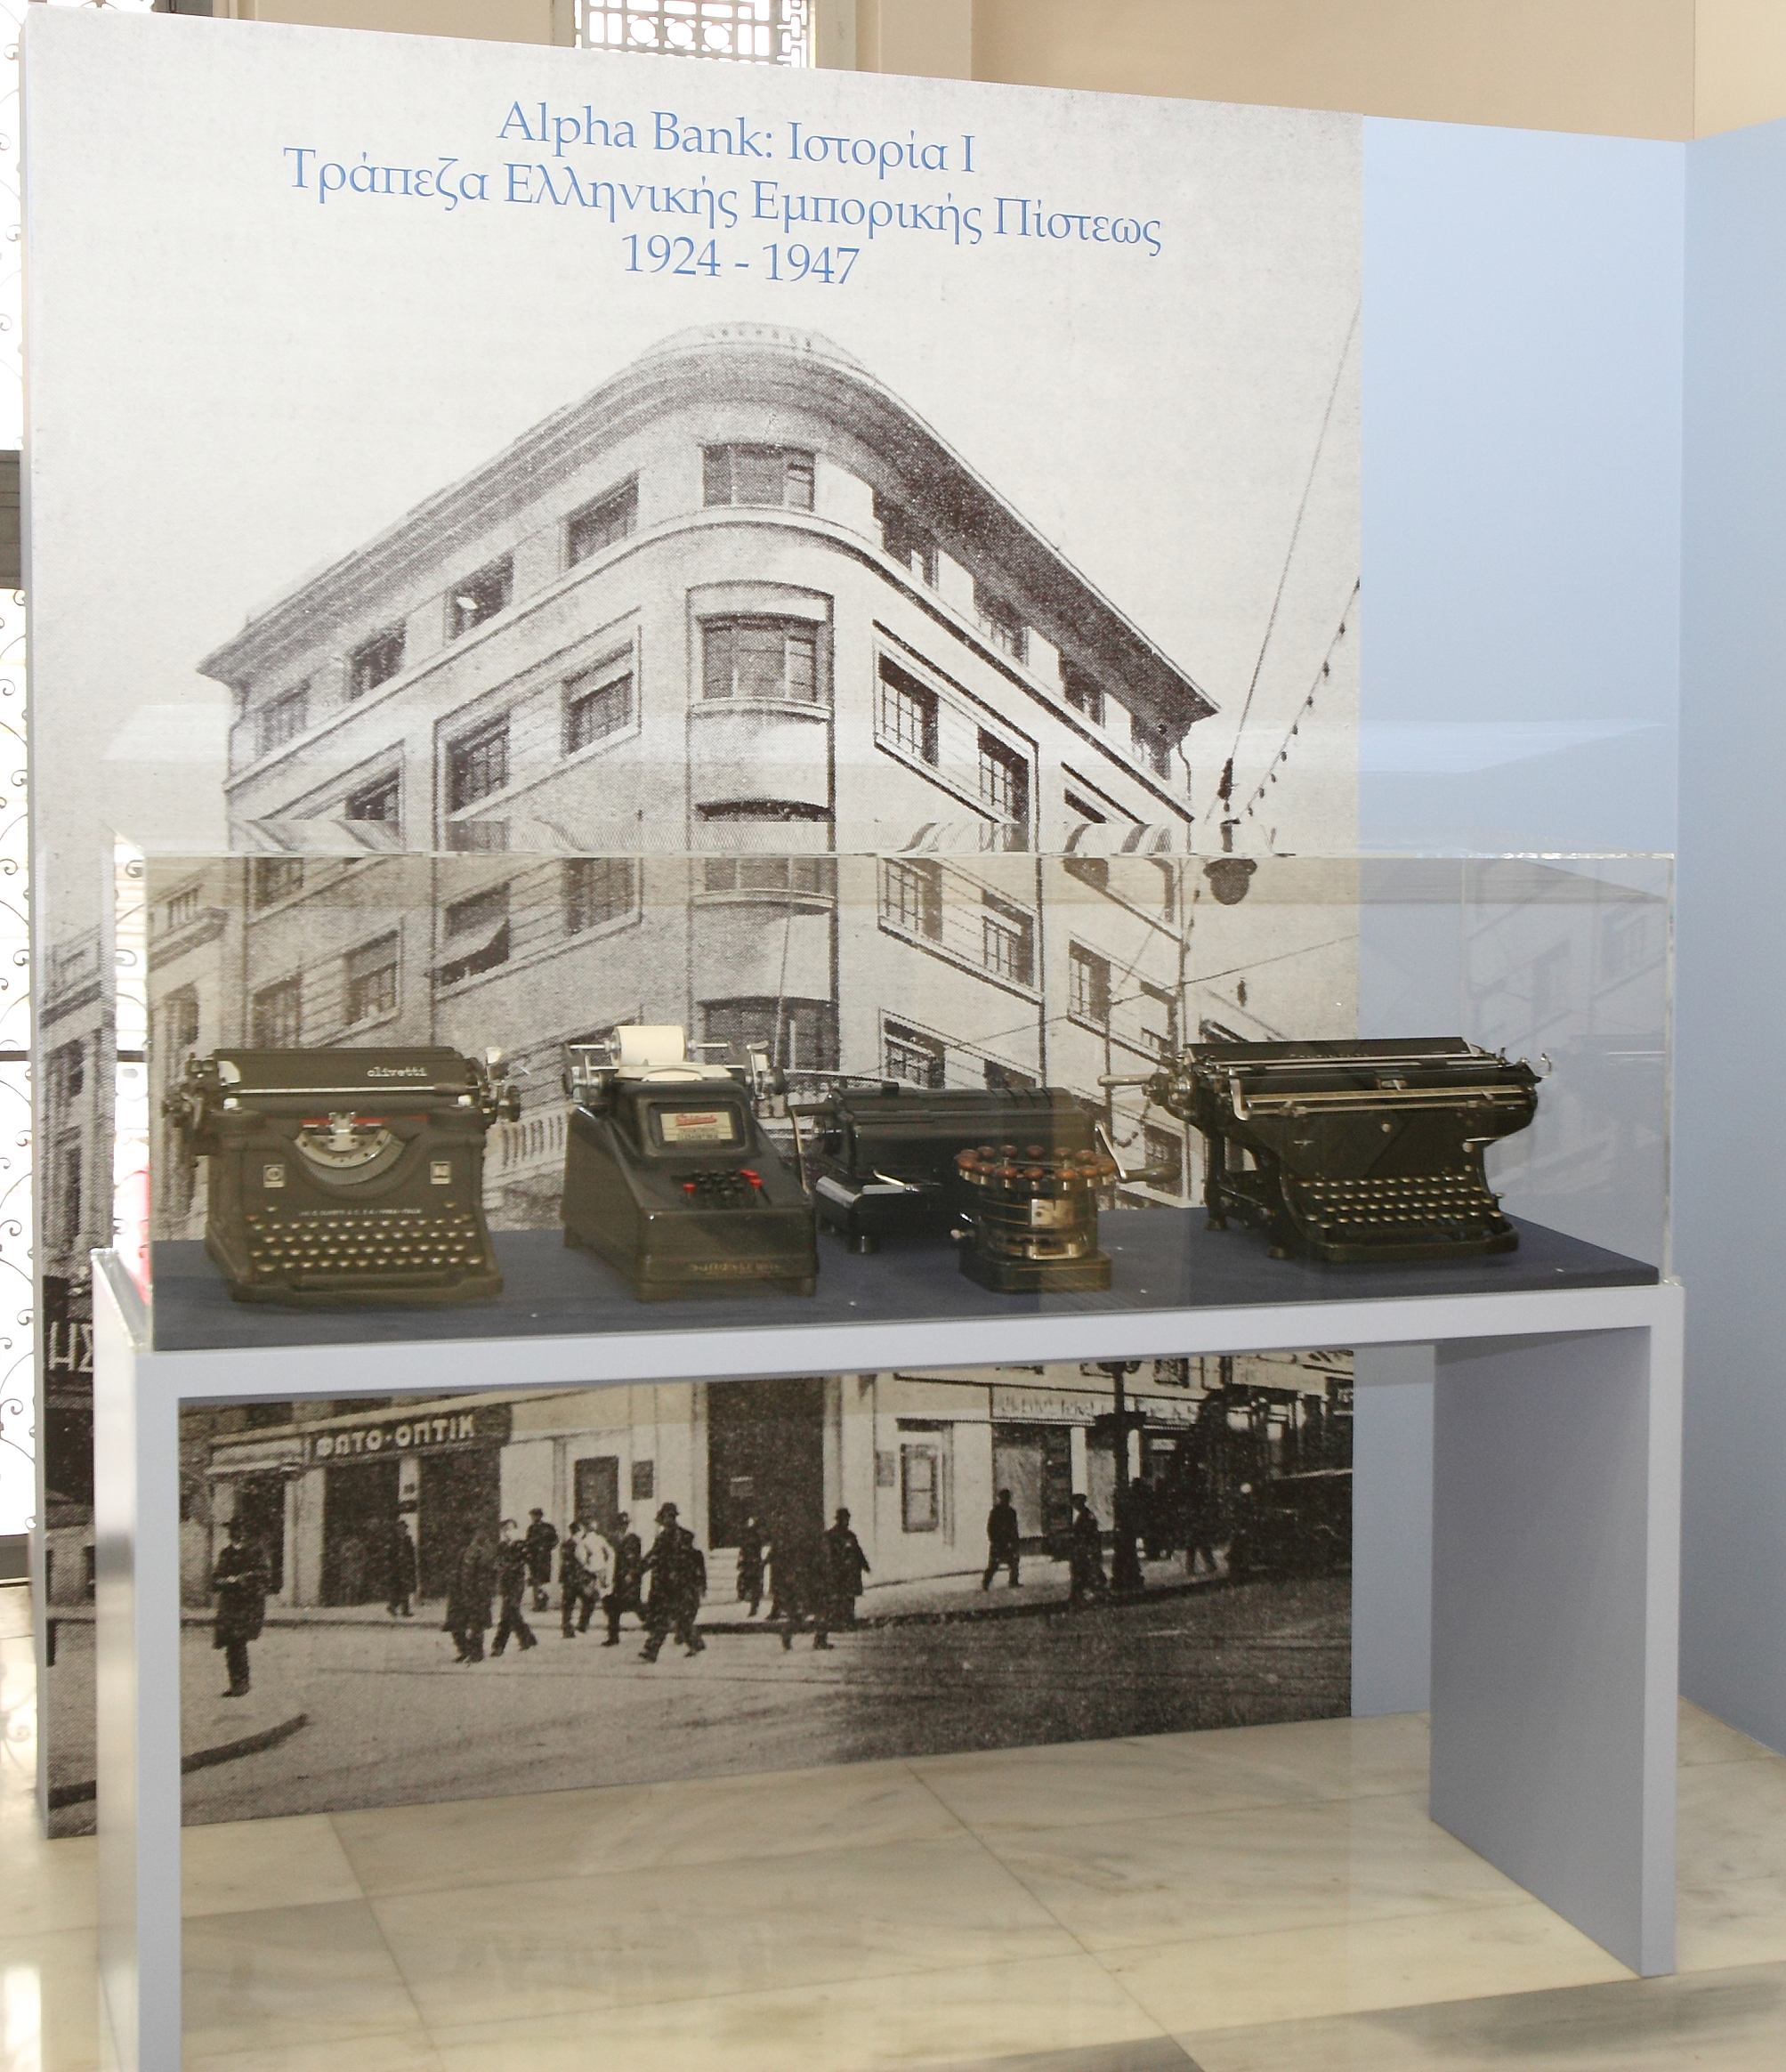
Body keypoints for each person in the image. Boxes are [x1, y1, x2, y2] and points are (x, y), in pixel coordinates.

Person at [638, 1501, 707, 1662]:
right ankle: (655, 1650)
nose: (663, 1522)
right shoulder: (662, 1537)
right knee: (666, 1618)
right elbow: (653, 1556)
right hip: (666, 1585)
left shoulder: (686, 1537)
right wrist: (640, 1569)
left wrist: (699, 1583)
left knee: (677, 1619)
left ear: (672, 1517)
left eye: (666, 1518)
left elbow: (696, 1560)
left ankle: (656, 1649)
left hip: (681, 1586)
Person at [211, 1516, 269, 1697]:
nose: (238, 1534)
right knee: (231, 1644)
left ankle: (242, 1683)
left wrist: (244, 1579)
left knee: (239, 1642)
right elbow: (215, 1580)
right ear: (230, 1533)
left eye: (241, 1530)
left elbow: (263, 1575)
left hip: (247, 1605)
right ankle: (236, 1683)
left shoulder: (255, 1552)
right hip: (229, 1605)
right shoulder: (225, 1554)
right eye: (234, 1531)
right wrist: (230, 1580)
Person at [444, 1525, 497, 1663]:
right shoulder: (461, 1550)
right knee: (457, 1625)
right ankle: (466, 1650)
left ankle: (475, 1653)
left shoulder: (483, 1551)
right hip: (460, 1593)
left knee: (475, 1625)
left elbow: (485, 1573)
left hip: (475, 1593)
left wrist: (481, 1592)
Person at [491, 1518, 539, 1655]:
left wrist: (532, 1578)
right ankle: (527, 1638)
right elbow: (497, 1562)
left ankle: (499, 1645)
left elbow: (529, 1562)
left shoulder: (521, 1545)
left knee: (509, 1610)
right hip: (506, 1581)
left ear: (516, 1530)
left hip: (517, 1581)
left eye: (510, 1529)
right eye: (505, 1530)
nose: (508, 1533)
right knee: (512, 1611)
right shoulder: (501, 1546)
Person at [822, 1507, 870, 1631]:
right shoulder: (831, 1536)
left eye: (847, 1519)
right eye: (844, 1519)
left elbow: (857, 1552)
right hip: (838, 1572)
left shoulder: (850, 1536)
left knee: (849, 1598)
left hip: (850, 1572)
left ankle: (849, 1620)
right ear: (839, 1520)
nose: (846, 1522)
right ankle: (838, 1622)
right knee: (838, 1597)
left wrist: (865, 1566)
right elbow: (828, 1555)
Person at [602, 1511, 643, 1646]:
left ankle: (657, 1625)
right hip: (620, 1578)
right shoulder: (617, 1538)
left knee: (634, 1606)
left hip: (630, 1578)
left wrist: (631, 1574)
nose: (622, 1526)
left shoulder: (633, 1539)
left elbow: (636, 1559)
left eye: (625, 1523)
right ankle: (613, 1637)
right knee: (615, 1607)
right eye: (620, 1524)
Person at [1067, 1493, 1109, 1608]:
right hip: (1082, 1550)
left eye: (1075, 1502)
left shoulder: (1086, 1516)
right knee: (1082, 1574)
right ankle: (1078, 1597)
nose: (1074, 1505)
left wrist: (1089, 1550)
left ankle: (1081, 1598)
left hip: (1085, 1550)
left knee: (1085, 1574)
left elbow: (1090, 1534)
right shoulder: (1083, 1515)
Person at [982, 1489, 1022, 1590]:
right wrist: (994, 1540)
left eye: (1007, 1498)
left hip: (1007, 1542)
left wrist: (1015, 1541)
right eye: (1005, 1498)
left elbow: (1014, 1528)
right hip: (999, 1542)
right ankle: (986, 1583)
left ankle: (1013, 1580)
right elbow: (991, 1528)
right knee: (994, 1564)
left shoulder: (1011, 1512)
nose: (1006, 1500)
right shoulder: (996, 1512)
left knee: (1014, 1562)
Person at [523, 1509, 559, 1613]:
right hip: (534, 1558)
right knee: (535, 1581)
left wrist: (545, 1547)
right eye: (532, 1516)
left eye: (535, 1515)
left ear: (540, 1516)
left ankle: (544, 1602)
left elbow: (555, 1541)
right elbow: (528, 1542)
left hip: (544, 1558)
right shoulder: (531, 1528)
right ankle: (537, 1603)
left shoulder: (548, 1527)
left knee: (543, 1581)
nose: (534, 1518)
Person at [384, 1516, 417, 1619]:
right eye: (400, 1527)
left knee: (405, 1589)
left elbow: (411, 1553)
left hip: (405, 1567)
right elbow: (389, 1554)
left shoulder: (407, 1539)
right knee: (396, 1588)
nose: (402, 1530)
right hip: (395, 1568)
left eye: (404, 1528)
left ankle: (405, 1610)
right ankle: (393, 1606)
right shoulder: (393, 1540)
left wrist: (411, 1565)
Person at [736, 1515, 767, 1616]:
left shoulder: (757, 1536)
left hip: (754, 1562)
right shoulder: (746, 1536)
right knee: (746, 1582)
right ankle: (749, 1600)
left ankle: (754, 1606)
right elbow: (742, 1550)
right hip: (748, 1563)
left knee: (755, 1585)